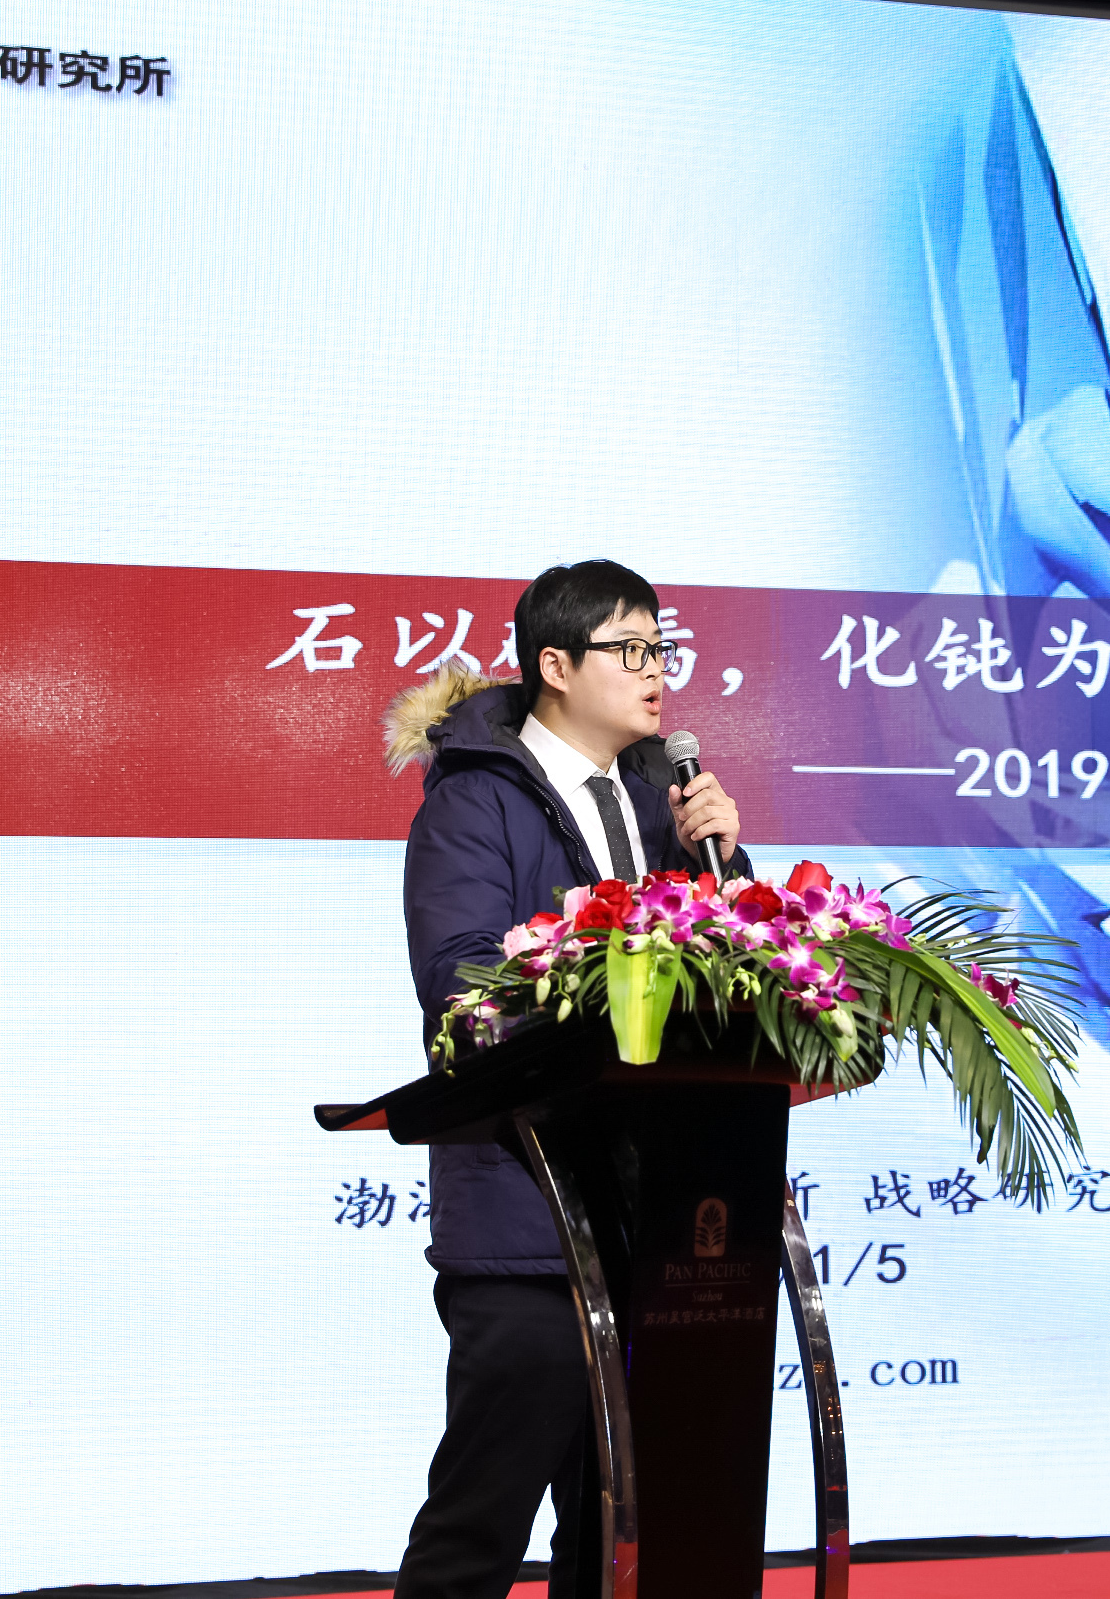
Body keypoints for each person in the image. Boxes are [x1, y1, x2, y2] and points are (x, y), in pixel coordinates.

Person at [382, 559, 751, 1599]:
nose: (655, 671)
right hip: (527, 1216)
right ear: (555, 665)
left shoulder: (665, 802)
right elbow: (461, 985)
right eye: (630, 650)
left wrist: (727, 867)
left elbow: (733, 980)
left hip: (656, 1220)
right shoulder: (473, 801)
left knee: (617, 1528)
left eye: (660, 649)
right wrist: (602, 992)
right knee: (481, 1518)